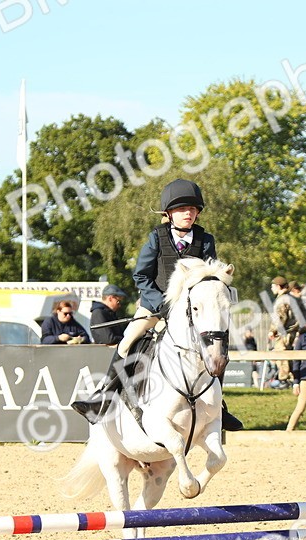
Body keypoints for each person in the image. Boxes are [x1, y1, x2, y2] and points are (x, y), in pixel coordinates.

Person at [71, 179, 241, 430]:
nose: (189, 213)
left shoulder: (206, 240)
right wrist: (160, 304)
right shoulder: (156, 238)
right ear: (169, 213)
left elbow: (209, 276)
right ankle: (103, 398)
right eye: (183, 209)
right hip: (157, 305)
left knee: (216, 346)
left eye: (193, 209)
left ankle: (220, 406)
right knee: (129, 340)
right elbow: (141, 275)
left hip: (193, 311)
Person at [268, 276, 297, 384]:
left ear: (278, 286)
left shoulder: (282, 299)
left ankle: (285, 379)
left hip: (284, 333)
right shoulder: (288, 297)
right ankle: (290, 378)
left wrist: (273, 330)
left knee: (282, 355)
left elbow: (280, 317)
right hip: (289, 332)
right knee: (285, 355)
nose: (272, 288)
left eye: (273, 286)